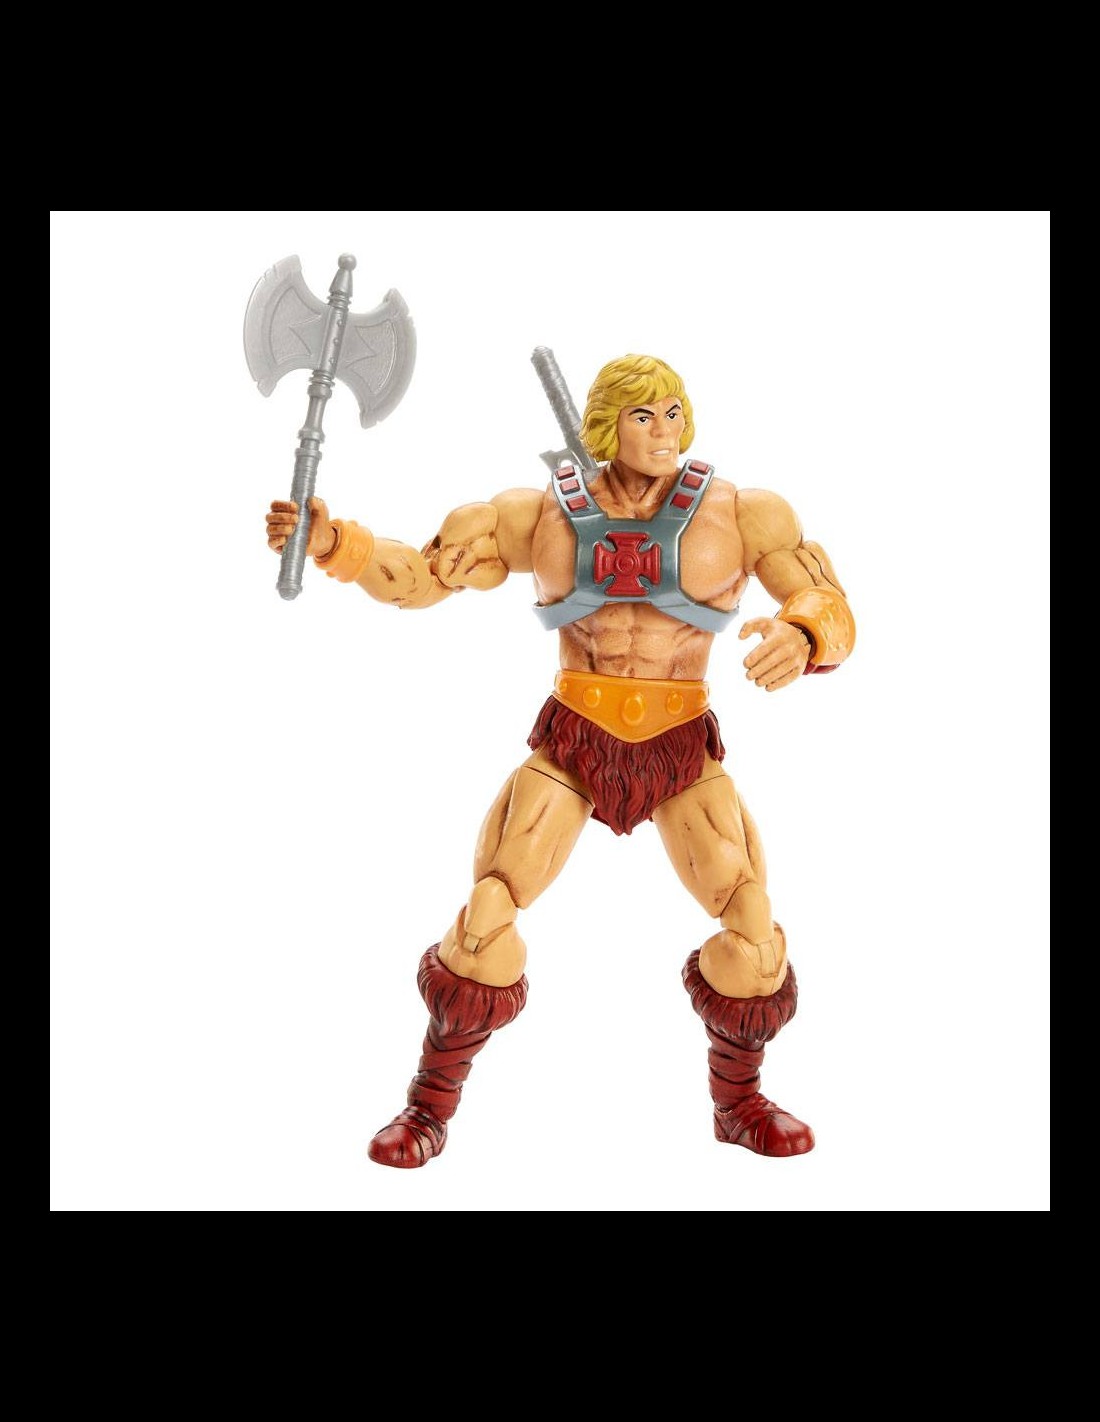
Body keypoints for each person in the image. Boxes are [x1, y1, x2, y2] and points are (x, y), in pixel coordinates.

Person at [265, 353, 855, 1168]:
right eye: (643, 416)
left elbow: (828, 601)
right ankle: (428, 1107)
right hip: (576, 739)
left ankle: (739, 1101)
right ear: (605, 427)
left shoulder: (741, 513)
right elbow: (423, 577)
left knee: (755, 936)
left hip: (681, 744)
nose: (664, 430)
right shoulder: (538, 514)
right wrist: (338, 544)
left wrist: (804, 633)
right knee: (487, 915)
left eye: (674, 412)